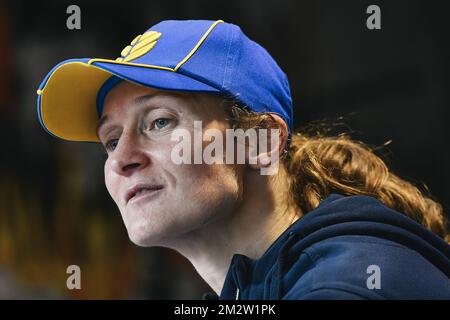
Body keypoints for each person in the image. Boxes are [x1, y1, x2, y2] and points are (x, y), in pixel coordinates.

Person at [37, 19, 450, 299]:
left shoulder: (343, 285)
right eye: (110, 140)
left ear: (261, 141)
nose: (120, 159)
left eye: (160, 122)